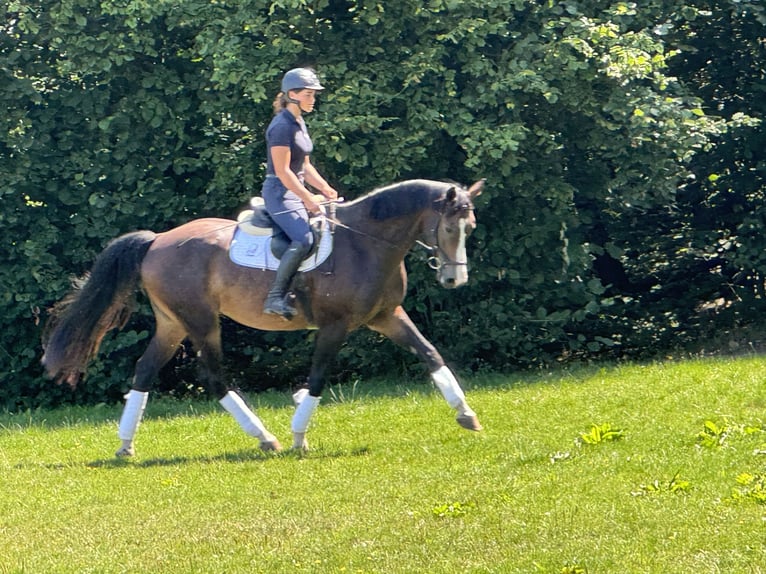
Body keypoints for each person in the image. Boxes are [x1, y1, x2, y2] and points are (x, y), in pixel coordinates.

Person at [261, 67, 338, 319]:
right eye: (308, 94)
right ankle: (274, 297)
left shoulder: (298, 122)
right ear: (292, 94)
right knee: (303, 240)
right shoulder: (281, 127)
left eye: (314, 95)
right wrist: (308, 198)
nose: (312, 99)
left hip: (295, 188)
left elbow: (304, 166)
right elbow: (283, 172)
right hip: (279, 193)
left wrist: (325, 188)